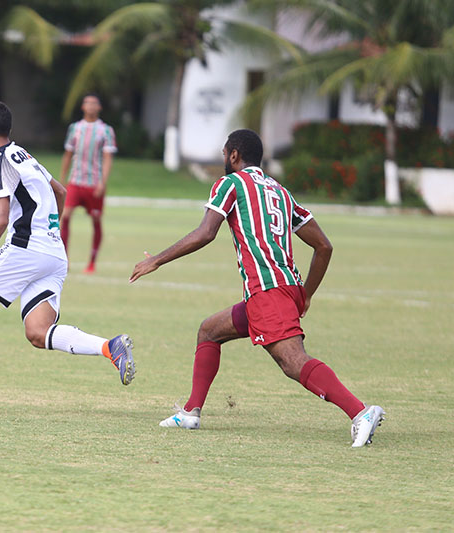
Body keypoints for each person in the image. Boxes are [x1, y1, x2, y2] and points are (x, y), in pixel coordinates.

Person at [129, 129, 384, 447]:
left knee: (292, 361)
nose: (224, 159)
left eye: (225, 153)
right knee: (209, 331)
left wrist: (157, 260)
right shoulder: (280, 191)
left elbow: (206, 232)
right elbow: (324, 247)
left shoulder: (230, 184)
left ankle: (360, 412)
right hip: (282, 290)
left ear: (234, 154)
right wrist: (305, 295)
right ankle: (191, 412)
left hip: (268, 292)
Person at [0, 101, 135, 409]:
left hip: (26, 248)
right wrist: (49, 233)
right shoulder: (23, 155)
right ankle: (110, 347)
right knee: (38, 333)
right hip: (54, 253)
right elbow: (61, 192)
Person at [60, 93, 117, 274]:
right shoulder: (75, 128)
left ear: (99, 107)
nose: (90, 106)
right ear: (83, 107)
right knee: (65, 215)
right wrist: (63, 179)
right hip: (76, 181)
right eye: (87, 103)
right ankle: (64, 259)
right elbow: (68, 155)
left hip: (94, 184)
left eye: (94, 103)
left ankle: (92, 261)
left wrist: (103, 182)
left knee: (95, 219)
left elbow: (108, 158)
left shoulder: (106, 130)